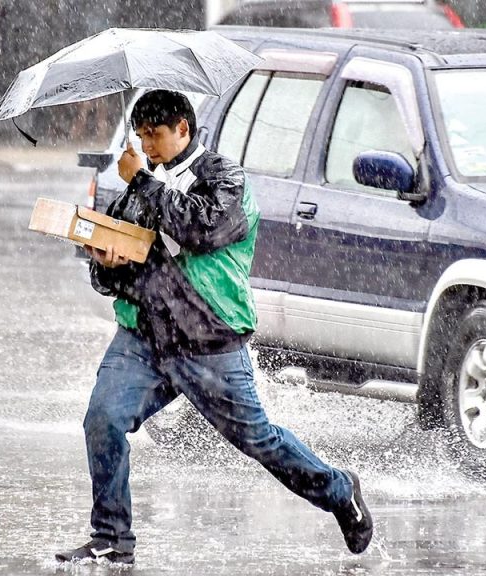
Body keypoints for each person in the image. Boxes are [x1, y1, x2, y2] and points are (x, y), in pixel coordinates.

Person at [57, 90, 372, 566]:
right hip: (144, 338)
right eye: (141, 137)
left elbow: (202, 229)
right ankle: (111, 537)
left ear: (183, 128)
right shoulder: (140, 191)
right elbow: (108, 275)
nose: (148, 145)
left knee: (258, 440)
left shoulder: (223, 178)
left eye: (156, 135)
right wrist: (109, 263)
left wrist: (142, 181)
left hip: (210, 340)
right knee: (103, 419)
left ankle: (339, 489)